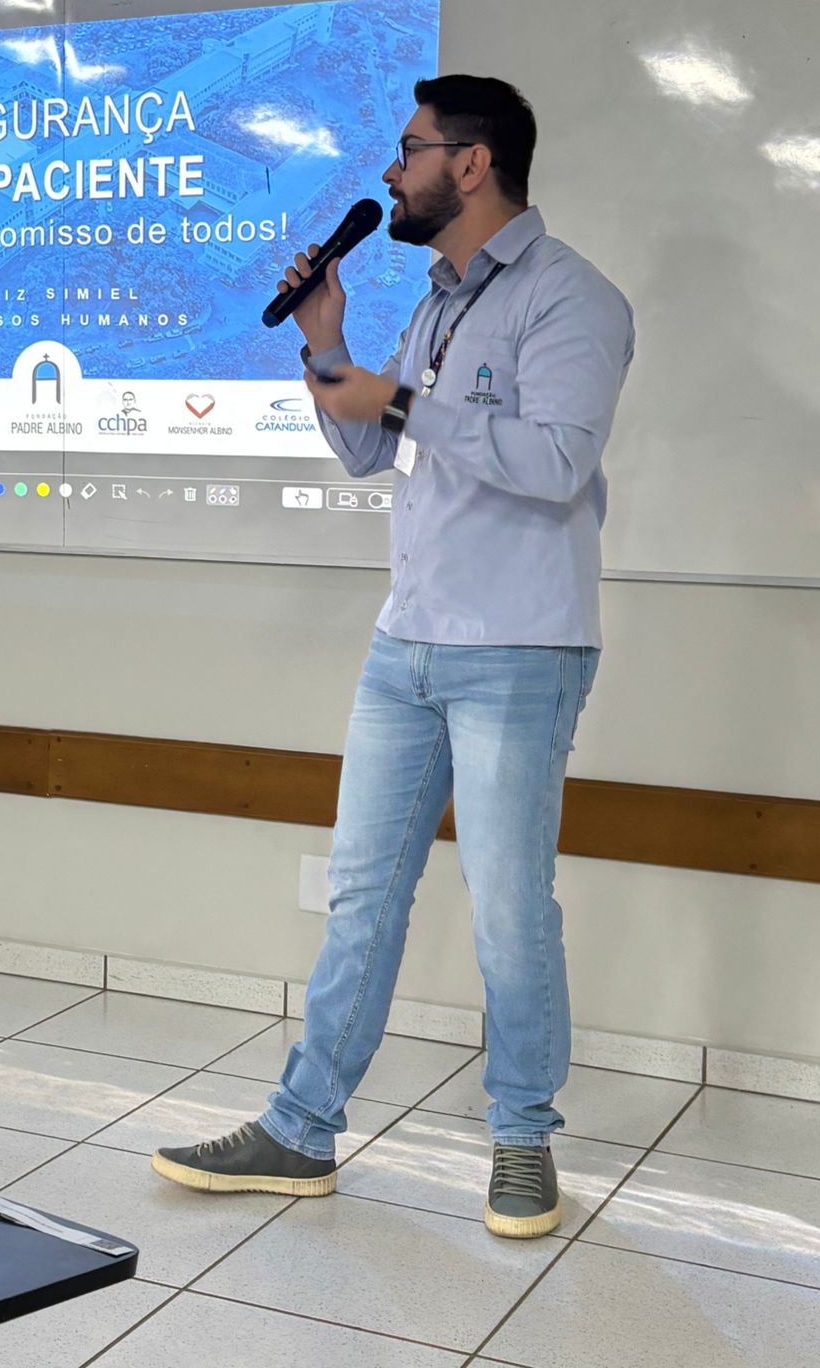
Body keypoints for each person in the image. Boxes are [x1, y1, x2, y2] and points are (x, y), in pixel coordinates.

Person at [152, 75, 635, 1239]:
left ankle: (522, 1139)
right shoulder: (435, 306)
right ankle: (300, 1127)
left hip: (519, 646)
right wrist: (327, 347)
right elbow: (374, 451)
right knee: (362, 893)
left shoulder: (571, 297)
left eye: (409, 148)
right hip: (406, 641)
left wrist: (402, 404)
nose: (389, 170)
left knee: (508, 909)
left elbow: (555, 461)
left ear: (471, 164)